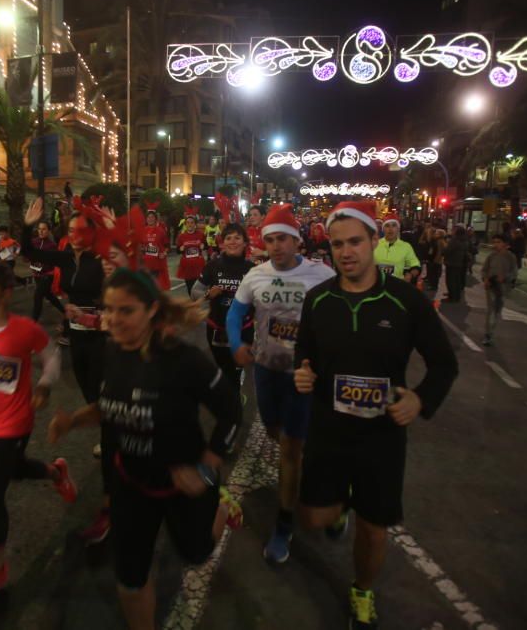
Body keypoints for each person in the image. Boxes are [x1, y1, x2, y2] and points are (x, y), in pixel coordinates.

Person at [293, 200, 458, 629]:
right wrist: (304, 372)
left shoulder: (405, 301)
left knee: (374, 528)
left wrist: (420, 399)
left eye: (354, 242)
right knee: (314, 518)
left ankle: (362, 590)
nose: (346, 252)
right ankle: (340, 507)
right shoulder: (318, 300)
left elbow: (444, 363)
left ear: (373, 242)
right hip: (329, 428)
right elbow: (304, 352)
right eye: (337, 244)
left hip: (381, 436)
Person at [47, 268, 242, 630]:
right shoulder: (113, 350)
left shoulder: (183, 360)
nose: (113, 320)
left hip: (183, 482)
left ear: (152, 310)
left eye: (126, 311)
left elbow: (230, 412)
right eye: (109, 310)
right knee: (131, 577)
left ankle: (222, 505)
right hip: (130, 482)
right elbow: (110, 405)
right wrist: (71, 421)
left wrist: (206, 467)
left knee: (197, 553)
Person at [0, 261, 76, 605]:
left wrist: (45, 385)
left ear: (6, 293)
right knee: (16, 468)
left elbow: (50, 355)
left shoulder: (23, 329)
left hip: (16, 420)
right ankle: (56, 472)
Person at [226, 204, 335, 563]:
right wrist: (235, 343)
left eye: (283, 239)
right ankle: (325, 481)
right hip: (265, 370)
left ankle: (284, 524)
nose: (276, 246)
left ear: (297, 240)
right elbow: (235, 312)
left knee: (289, 448)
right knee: (276, 432)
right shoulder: (255, 275)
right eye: (270, 239)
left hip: (301, 376)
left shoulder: (321, 274)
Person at [22, 197, 111, 543]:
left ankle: (110, 434)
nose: (75, 235)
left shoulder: (98, 258)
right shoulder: (62, 257)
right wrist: (29, 225)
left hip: (102, 331)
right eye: (71, 230)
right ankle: (104, 423)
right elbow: (31, 252)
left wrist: (106, 226)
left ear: (90, 234)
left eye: (81, 230)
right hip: (77, 335)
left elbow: (120, 260)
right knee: (88, 385)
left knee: (104, 386)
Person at [192, 223, 255, 403]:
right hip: (217, 329)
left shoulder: (253, 269)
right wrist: (207, 294)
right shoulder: (213, 266)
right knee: (223, 367)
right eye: (228, 238)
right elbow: (194, 292)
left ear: (245, 243)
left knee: (237, 367)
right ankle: (231, 402)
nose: (233, 241)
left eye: (237, 238)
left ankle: (232, 400)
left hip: (244, 329)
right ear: (222, 243)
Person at [481, 234, 518, 346]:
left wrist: (505, 277)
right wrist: (486, 279)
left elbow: (514, 272)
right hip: (491, 286)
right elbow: (484, 269)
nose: (496, 244)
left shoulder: (510, 257)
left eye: (498, 242)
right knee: (490, 310)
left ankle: (491, 331)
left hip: (502, 287)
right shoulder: (491, 256)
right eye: (494, 242)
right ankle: (488, 334)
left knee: (496, 311)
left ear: (505, 244)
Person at [28, 221, 66, 324]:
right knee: (49, 295)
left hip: (47, 275)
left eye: (44, 229)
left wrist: (44, 264)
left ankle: (33, 322)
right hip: (37, 275)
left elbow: (55, 262)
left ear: (49, 231)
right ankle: (65, 312)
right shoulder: (34, 242)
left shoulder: (52, 245)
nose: (41, 231)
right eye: (39, 229)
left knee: (38, 296)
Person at [374, 215, 421, 284]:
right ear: (383, 229)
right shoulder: (374, 244)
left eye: (394, 225)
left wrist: (410, 275)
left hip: (397, 286)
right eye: (387, 226)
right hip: (376, 285)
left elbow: (415, 265)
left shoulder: (406, 246)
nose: (390, 229)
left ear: (398, 228)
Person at [176, 215, 206, 297]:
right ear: (185, 224)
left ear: (195, 224)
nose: (190, 224)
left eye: (192, 222)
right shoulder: (181, 236)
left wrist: (204, 246)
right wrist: (180, 249)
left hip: (198, 266)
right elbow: (177, 251)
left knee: (199, 288)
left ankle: (197, 304)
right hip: (187, 267)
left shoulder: (201, 235)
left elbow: (205, 245)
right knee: (190, 288)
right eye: (188, 223)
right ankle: (193, 303)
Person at [141, 209, 171, 290]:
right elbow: (139, 246)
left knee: (153, 286)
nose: (150, 219)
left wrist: (164, 253)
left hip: (157, 264)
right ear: (146, 219)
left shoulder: (161, 231)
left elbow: (168, 246)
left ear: (155, 219)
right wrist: (141, 249)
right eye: (148, 217)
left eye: (152, 217)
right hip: (145, 264)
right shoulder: (142, 231)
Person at [443, 227, 471, 303]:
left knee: (450, 280)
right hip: (459, 263)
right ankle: (456, 295)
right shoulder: (465, 241)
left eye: (453, 231)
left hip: (451, 262)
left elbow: (447, 251)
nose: (452, 232)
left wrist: (444, 247)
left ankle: (452, 297)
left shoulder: (454, 241)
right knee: (457, 280)